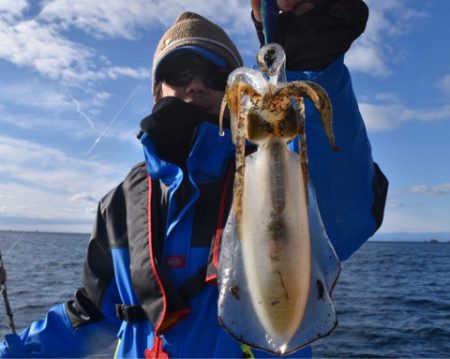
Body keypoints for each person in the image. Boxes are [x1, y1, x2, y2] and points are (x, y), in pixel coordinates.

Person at [0, 0, 388, 357]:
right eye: (179, 72)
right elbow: (92, 316)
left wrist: (315, 66)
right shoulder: (119, 205)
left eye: (216, 75)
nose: (196, 84)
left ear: (236, 97)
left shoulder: (274, 179)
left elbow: (347, 211)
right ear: (157, 92)